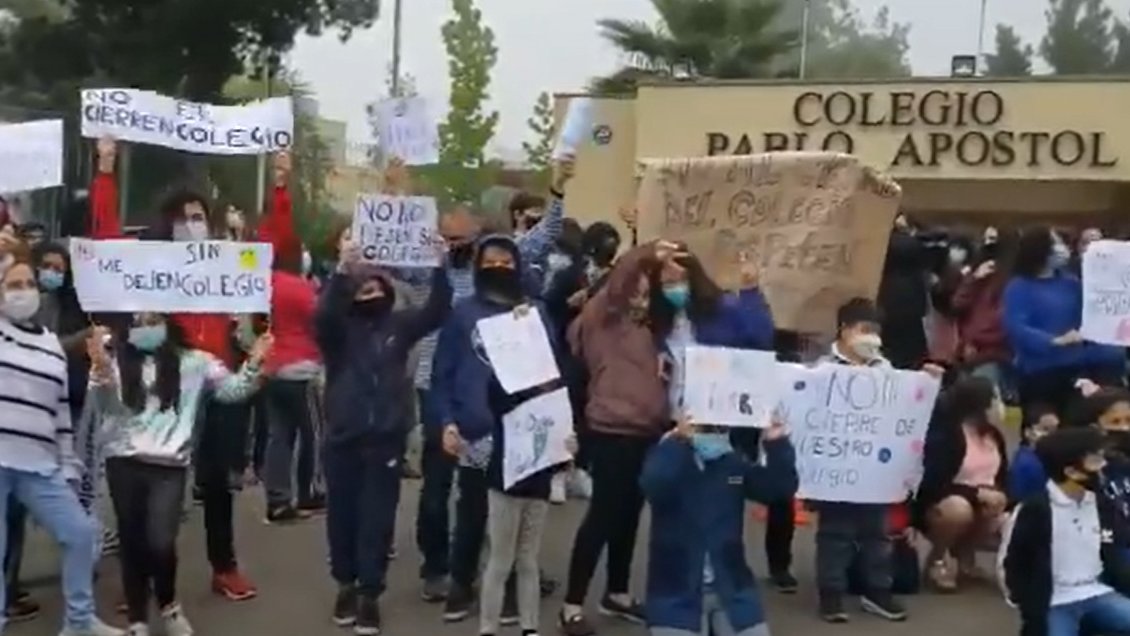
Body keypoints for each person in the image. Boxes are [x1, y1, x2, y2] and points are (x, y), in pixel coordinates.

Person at [414, 156, 573, 604]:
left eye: (461, 236)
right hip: (441, 387)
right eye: (446, 236)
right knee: (441, 491)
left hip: (499, 401)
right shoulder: (428, 269)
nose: (453, 243)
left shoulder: (500, 272)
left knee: (504, 492)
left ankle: (506, 570)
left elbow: (540, 239)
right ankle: (438, 569)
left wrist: (557, 192)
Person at [86, 313, 272, 636]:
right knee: (132, 541)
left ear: (167, 323)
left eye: (153, 319)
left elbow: (231, 391)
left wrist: (255, 360)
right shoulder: (113, 360)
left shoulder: (195, 362)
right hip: (123, 461)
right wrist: (102, 374)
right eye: (140, 321)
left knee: (161, 540)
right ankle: (138, 620)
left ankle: (169, 605)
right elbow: (107, 411)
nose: (147, 326)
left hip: (168, 465)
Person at [317, 239, 451, 636]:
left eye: (376, 286)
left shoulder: (400, 326)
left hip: (385, 440)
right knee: (342, 519)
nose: (369, 291)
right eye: (362, 288)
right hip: (343, 439)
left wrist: (440, 264)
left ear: (388, 291)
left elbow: (436, 311)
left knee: (377, 520)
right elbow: (324, 314)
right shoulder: (337, 333)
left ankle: (369, 595)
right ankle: (345, 584)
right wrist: (343, 271)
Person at [142, 188, 258, 600]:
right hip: (172, 382)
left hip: (217, 380)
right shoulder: (153, 267)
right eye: (185, 218)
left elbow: (265, 260)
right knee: (155, 480)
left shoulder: (223, 261)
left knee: (216, 483)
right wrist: (104, 174)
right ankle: (142, 579)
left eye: (199, 217)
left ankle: (223, 568)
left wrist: (278, 190)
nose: (194, 225)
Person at [432, 234, 552, 622]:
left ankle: (516, 589)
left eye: (506, 261)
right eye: (491, 261)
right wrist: (447, 422)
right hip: (476, 433)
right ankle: (462, 583)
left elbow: (554, 371)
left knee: (520, 521)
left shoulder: (534, 313)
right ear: (478, 266)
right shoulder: (462, 314)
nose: (499, 267)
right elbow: (442, 374)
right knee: (470, 513)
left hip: (523, 432)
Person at [0, 254, 122, 636]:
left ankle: (79, 622)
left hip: (40, 465)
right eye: (13, 285)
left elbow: (60, 412)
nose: (24, 292)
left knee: (80, 533)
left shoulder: (51, 345)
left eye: (28, 284)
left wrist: (68, 463)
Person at [812, 297, 933, 623]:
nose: (872, 338)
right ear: (845, 330)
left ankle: (878, 591)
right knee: (834, 534)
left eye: (877, 331)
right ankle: (831, 594)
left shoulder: (885, 370)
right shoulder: (822, 370)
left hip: (874, 471)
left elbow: (903, 409)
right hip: (836, 469)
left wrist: (925, 383)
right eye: (865, 330)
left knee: (877, 534)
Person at [641, 413, 796, 636]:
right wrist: (676, 442)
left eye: (719, 429)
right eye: (706, 429)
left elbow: (779, 489)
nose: (715, 435)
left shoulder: (731, 462)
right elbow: (654, 485)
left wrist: (777, 442)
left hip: (733, 591)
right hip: (675, 594)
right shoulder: (668, 456)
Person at [478, 351, 576, 636]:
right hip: (507, 483)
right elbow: (496, 394)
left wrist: (568, 449)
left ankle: (528, 627)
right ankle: (489, 627)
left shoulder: (553, 397)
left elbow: (561, 439)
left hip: (536, 485)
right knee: (503, 559)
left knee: (526, 559)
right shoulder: (504, 389)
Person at [1002, 427, 1130, 636]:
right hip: (1055, 602)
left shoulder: (1101, 503)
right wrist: (1030, 606)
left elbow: (1113, 549)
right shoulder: (1036, 509)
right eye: (1095, 460)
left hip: (1097, 592)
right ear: (1071, 472)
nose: (1103, 465)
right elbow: (1015, 562)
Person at [1003, 227, 1125, 429]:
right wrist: (1053, 340)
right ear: (1041, 250)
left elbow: (1090, 313)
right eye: (1056, 243)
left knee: (1076, 425)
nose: (1063, 248)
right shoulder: (1018, 286)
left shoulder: (1070, 283)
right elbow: (1016, 327)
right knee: (1044, 428)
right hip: (1039, 373)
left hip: (1074, 367)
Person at [916, 376, 1010, 592]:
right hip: (944, 504)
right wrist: (974, 493)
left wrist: (1003, 496)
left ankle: (966, 559)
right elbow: (931, 484)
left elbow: (1003, 476)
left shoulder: (993, 435)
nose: (999, 403)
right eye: (995, 398)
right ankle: (938, 559)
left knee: (1009, 516)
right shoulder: (946, 434)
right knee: (958, 510)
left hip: (986, 506)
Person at [262, 243, 324, 522]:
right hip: (302, 369)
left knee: (279, 436)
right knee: (313, 434)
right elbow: (320, 322)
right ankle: (308, 492)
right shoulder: (301, 288)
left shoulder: (264, 285)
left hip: (272, 367)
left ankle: (277, 499)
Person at [1009, 404, 1060, 503]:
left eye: (1056, 429)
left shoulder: (1047, 457)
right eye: (1045, 429)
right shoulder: (1027, 464)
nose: (1053, 435)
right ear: (1028, 432)